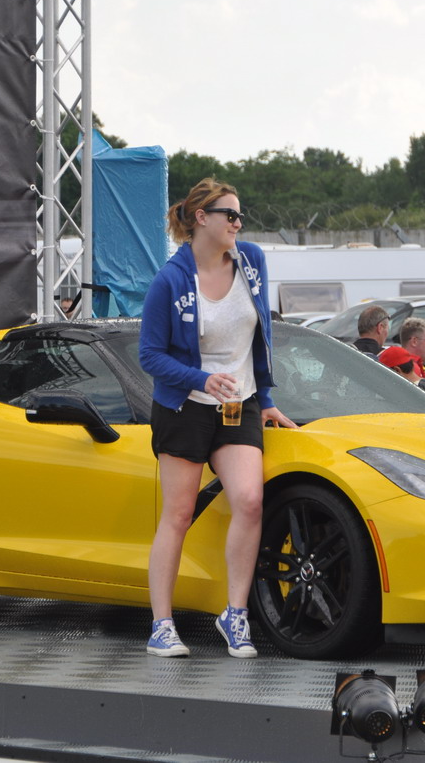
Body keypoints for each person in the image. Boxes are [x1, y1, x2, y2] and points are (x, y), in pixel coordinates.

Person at [138, 177, 297, 659]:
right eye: (230, 214)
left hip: (238, 404)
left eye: (240, 216)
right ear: (201, 218)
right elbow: (149, 356)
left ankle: (235, 613)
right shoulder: (170, 281)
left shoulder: (252, 261)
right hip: (184, 407)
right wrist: (200, 379)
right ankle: (162, 624)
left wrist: (264, 396)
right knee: (179, 514)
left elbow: (261, 334)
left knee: (249, 500)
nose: (238, 223)